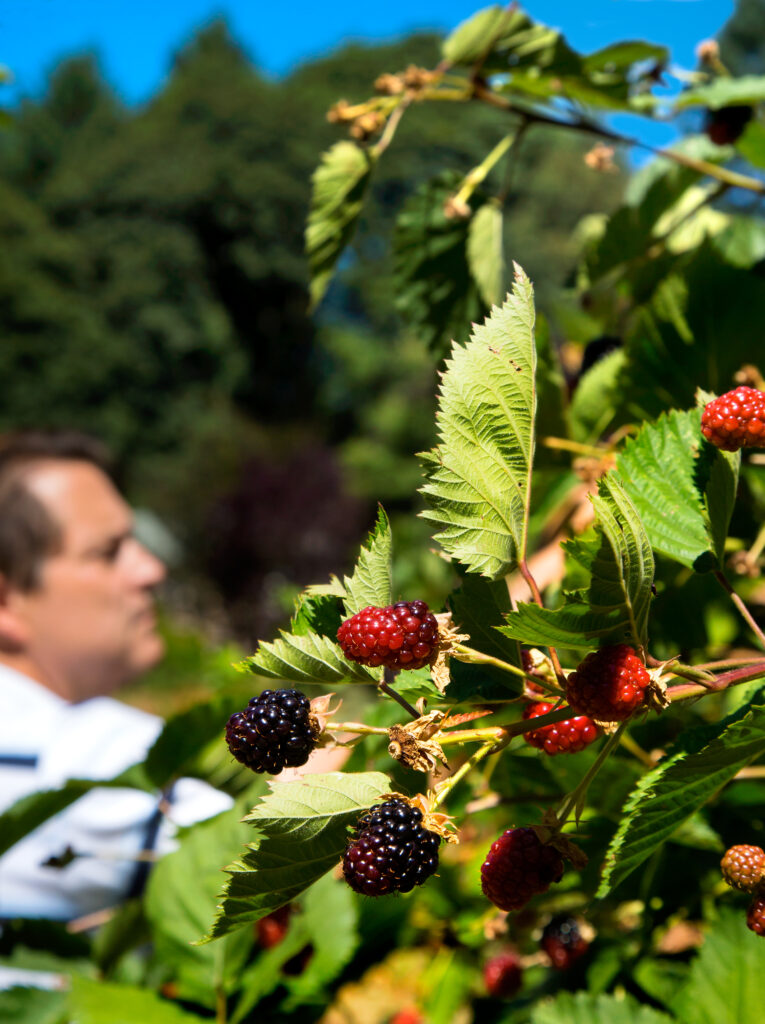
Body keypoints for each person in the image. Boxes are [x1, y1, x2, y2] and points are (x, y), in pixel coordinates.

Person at [0, 430, 232, 926]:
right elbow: (272, 847)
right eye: (107, 552)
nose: (151, 569)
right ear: (5, 601)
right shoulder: (69, 760)